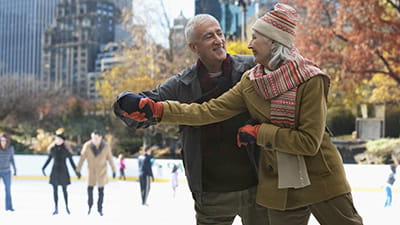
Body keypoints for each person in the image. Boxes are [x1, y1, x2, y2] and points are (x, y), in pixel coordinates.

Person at [115, 3, 364, 225]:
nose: (248, 43)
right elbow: (207, 110)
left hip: (307, 179)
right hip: (267, 185)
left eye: (255, 37)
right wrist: (155, 109)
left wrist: (258, 132)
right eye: (208, 36)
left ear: (274, 42)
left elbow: (309, 142)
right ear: (194, 46)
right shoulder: (250, 80)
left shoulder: (307, 79)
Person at [113, 14, 269, 225]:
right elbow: (144, 110)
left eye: (219, 33)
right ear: (194, 47)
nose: (218, 40)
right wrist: (125, 102)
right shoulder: (181, 84)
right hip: (211, 195)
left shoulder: (252, 68)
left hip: (257, 187)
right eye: (208, 36)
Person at [76, 130, 116, 216]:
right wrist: (78, 170)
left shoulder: (106, 146)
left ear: (101, 138)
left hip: (101, 172)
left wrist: (114, 170)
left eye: (96, 138)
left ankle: (99, 208)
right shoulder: (87, 146)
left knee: (101, 192)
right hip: (91, 172)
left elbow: (110, 158)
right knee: (89, 191)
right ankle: (90, 206)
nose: (94, 140)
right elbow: (82, 159)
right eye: (93, 138)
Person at [42, 131, 78, 215]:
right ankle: (56, 208)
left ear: (62, 140)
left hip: (63, 171)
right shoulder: (53, 149)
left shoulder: (66, 150)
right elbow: (49, 159)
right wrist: (43, 168)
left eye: (59, 139)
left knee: (64, 190)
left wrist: (77, 171)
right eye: (56, 139)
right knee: (55, 190)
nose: (57, 140)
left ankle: (66, 206)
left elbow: (72, 162)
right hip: (55, 171)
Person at [0, 133, 17, 212]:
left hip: (7, 172)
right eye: (1, 140)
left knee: (8, 190)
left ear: (7, 141)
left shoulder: (11, 148)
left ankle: (9, 207)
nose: (3, 142)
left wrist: (15, 169)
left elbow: (12, 159)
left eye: (4, 141)